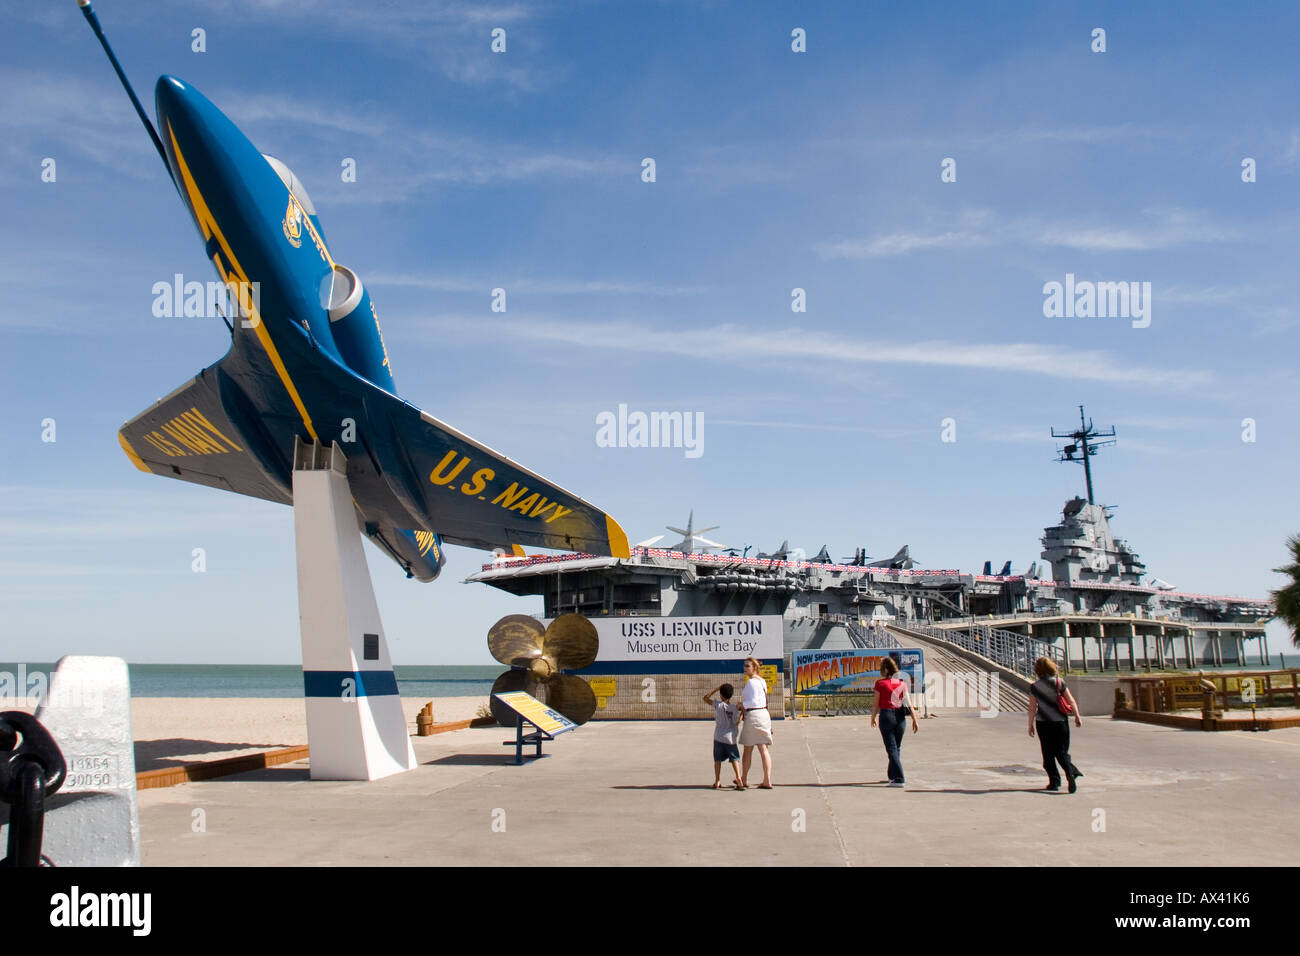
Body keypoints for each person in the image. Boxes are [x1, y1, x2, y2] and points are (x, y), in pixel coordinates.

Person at [1027, 657, 1084, 792]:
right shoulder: (1059, 683)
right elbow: (1071, 701)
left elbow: (1032, 708)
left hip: (1043, 723)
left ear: (1038, 670)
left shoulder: (1035, 686)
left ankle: (1054, 782)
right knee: (1062, 752)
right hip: (1060, 722)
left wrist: (1030, 725)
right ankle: (1071, 773)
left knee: (1048, 754)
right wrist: (1077, 716)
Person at [870, 656, 918, 786]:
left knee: (891, 749)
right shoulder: (901, 684)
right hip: (900, 717)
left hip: (886, 716)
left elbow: (876, 704)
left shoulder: (880, 684)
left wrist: (873, 717)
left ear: (885, 670)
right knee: (896, 748)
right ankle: (892, 775)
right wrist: (914, 719)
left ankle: (899, 778)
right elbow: (908, 702)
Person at [737, 657, 772, 789]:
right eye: (745, 665)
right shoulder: (762, 682)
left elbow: (753, 702)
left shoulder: (751, 682)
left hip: (753, 715)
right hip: (764, 714)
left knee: (748, 748)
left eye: (747, 666)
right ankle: (767, 779)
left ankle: (744, 778)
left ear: (755, 668)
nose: (745, 668)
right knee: (763, 749)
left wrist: (741, 705)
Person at [702, 682, 742, 789]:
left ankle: (717, 780)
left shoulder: (718, 705)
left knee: (717, 760)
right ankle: (738, 778)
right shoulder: (734, 708)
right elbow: (736, 723)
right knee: (734, 759)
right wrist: (741, 715)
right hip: (730, 738)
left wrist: (716, 688)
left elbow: (705, 698)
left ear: (721, 695)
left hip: (719, 737)